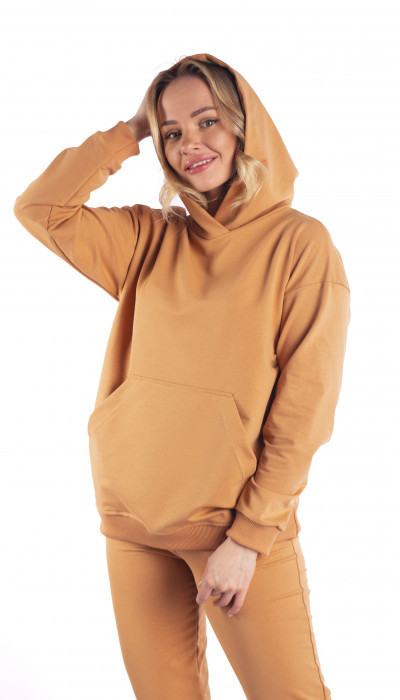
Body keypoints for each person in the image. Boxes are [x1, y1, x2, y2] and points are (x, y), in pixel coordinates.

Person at [13, 52, 351, 699]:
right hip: (132, 526)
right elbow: (40, 208)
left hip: (234, 530)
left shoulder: (301, 245)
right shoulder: (149, 238)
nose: (189, 142)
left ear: (245, 125)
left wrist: (249, 539)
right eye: (172, 131)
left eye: (207, 121)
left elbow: (304, 413)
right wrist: (132, 130)